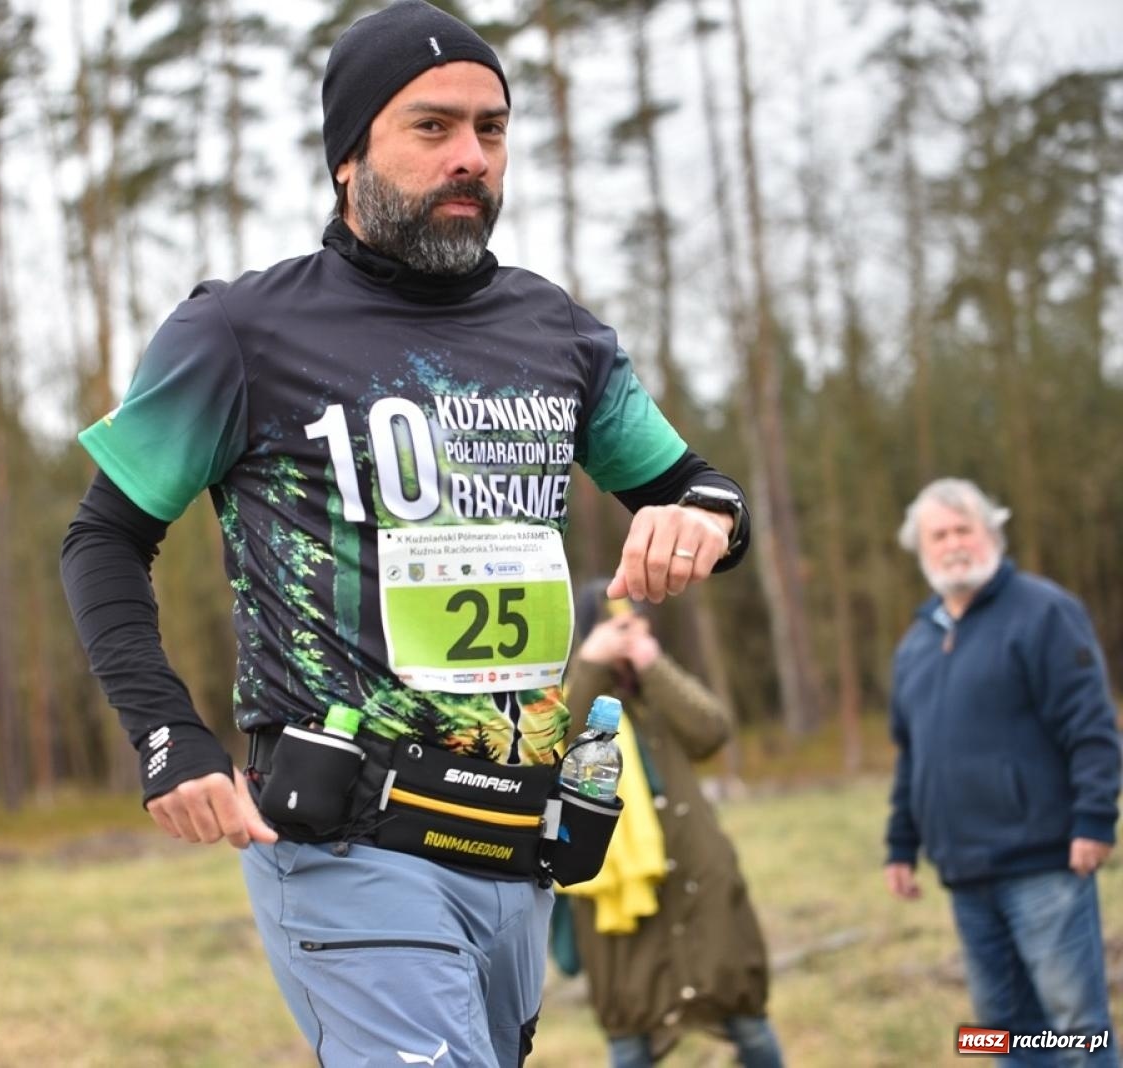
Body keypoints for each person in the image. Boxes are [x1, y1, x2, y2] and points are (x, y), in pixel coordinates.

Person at [61, 2, 751, 1063]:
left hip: (516, 844)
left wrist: (696, 518)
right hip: (344, 844)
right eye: (431, 129)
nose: (470, 156)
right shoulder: (241, 332)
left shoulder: (556, 332)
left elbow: (699, 488)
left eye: (491, 128)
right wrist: (167, 736)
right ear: (349, 157)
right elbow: (103, 537)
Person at [884, 478, 1119, 1066]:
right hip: (964, 874)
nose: (954, 544)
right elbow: (912, 756)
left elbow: (1091, 726)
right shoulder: (915, 644)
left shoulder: (1046, 613)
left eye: (966, 529)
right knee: (999, 1034)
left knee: (1077, 1030)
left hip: (1047, 866)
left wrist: (1095, 818)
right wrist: (899, 845)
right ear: (921, 549)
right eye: (939, 534)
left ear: (992, 534)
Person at [558, 582, 781, 1067]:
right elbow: (559, 749)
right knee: (629, 1033)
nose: (624, 633)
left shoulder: (654, 690)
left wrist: (649, 661)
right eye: (612, 625)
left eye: (634, 621)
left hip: (698, 871)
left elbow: (711, 731)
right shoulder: (570, 693)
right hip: (618, 881)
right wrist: (593, 666)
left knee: (746, 1015)